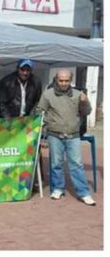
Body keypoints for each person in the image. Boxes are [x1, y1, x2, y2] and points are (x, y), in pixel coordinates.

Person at [35, 69, 95, 205]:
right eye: (61, 80)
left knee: (76, 164)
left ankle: (84, 193)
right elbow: (40, 111)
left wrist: (84, 102)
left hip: (73, 135)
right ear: (56, 79)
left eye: (66, 80)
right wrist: (45, 126)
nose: (63, 83)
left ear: (71, 80)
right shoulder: (48, 94)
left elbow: (87, 112)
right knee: (56, 163)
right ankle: (58, 188)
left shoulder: (78, 94)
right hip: (54, 134)